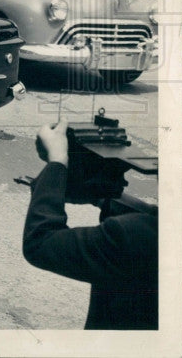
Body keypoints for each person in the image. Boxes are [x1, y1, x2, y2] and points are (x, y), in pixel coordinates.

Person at [22, 120, 158, 329]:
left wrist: (57, 162)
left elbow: (41, 242)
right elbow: (154, 216)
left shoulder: (130, 238)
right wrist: (103, 197)